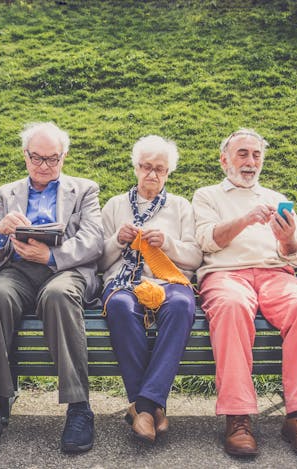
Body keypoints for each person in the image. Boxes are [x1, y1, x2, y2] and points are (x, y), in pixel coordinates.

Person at [0, 122, 103, 456]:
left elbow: (94, 240)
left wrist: (52, 255)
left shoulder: (84, 189)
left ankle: (79, 407)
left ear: (64, 156)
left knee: (58, 297)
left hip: (65, 269)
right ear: (25, 156)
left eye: (52, 159)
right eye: (37, 158)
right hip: (18, 270)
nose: (44, 166)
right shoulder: (6, 193)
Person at [192, 128, 297, 458]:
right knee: (231, 307)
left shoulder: (275, 197)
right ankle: (238, 418)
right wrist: (245, 219)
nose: (251, 162)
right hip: (226, 274)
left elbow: (296, 256)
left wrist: (289, 239)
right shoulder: (207, 195)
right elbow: (207, 241)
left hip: (275, 274)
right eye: (243, 154)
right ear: (224, 159)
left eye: (256, 155)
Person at [98, 135, 202, 443]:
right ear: (135, 168)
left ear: (169, 173)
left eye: (160, 169)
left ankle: (142, 406)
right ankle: (153, 408)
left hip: (169, 281)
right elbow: (99, 261)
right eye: (146, 167)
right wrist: (118, 240)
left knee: (182, 306)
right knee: (119, 306)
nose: (152, 174)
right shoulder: (115, 205)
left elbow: (194, 258)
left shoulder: (180, 206)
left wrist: (167, 244)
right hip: (124, 282)